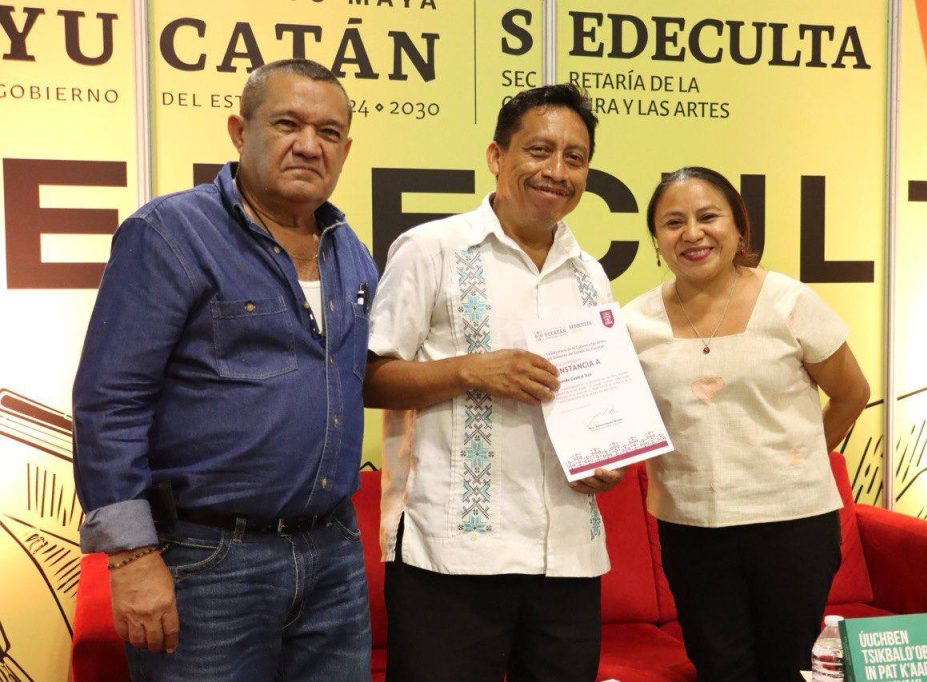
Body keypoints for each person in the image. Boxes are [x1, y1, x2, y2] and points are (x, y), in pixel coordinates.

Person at [72, 59, 376, 681]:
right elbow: (111, 401)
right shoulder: (170, 233)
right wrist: (131, 557)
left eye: (329, 132)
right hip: (207, 561)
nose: (309, 146)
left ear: (346, 149)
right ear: (240, 132)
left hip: (333, 555)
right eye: (287, 124)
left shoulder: (349, 250)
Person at [363, 83, 624, 682]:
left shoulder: (590, 275)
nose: (557, 171)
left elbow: (596, 402)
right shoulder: (431, 249)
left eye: (575, 157)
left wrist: (606, 459)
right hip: (450, 554)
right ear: (497, 156)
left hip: (569, 555)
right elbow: (370, 379)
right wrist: (470, 370)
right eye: (539, 150)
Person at [623, 167, 870, 682]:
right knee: (720, 668)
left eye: (708, 217)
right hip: (691, 529)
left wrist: (796, 460)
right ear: (657, 242)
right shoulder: (634, 323)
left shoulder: (789, 302)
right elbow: (620, 420)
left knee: (787, 668)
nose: (692, 233)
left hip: (794, 525)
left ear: (739, 228)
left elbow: (852, 393)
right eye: (673, 223)